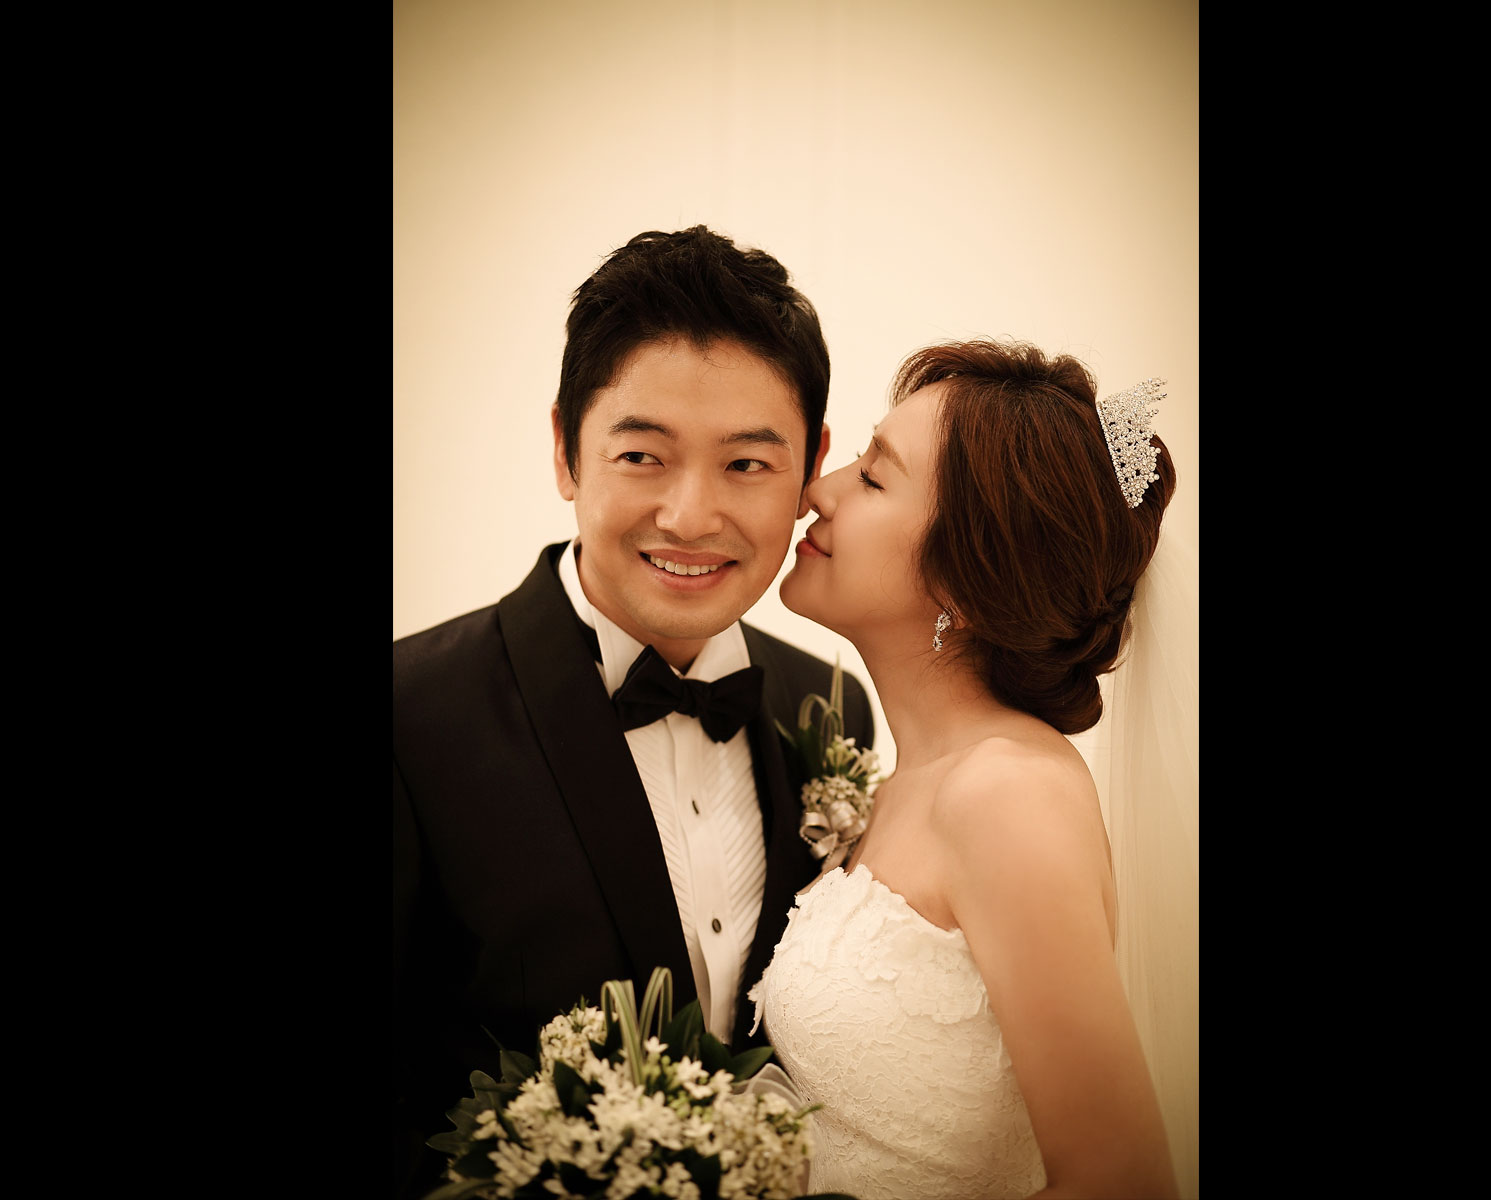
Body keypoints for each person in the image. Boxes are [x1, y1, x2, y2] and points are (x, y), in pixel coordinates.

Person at [392, 227, 875, 1200]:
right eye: (643, 455)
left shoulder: (832, 706)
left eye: (747, 465)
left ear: (811, 465)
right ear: (566, 450)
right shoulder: (411, 715)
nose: (690, 517)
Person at [749, 339, 1193, 1199]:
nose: (818, 490)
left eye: (872, 477)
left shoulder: (1008, 794)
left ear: (966, 575)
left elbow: (1122, 1181)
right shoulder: (905, 784)